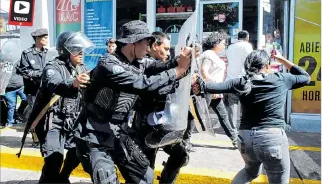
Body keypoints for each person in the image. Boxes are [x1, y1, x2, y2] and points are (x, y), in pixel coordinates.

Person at [74, 20, 191, 184]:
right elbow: (141, 84)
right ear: (132, 43)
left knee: (144, 177)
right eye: (146, 43)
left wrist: (182, 60)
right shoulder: (109, 63)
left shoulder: (140, 62)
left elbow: (159, 66)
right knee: (106, 179)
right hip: (94, 133)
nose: (149, 48)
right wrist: (177, 71)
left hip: (118, 132)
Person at [193, 50, 310, 184]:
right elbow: (305, 76)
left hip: (245, 139)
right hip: (272, 139)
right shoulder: (281, 79)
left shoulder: (241, 82)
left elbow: (209, 87)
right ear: (267, 65)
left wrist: (196, 81)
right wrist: (281, 59)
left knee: (250, 171)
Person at [29, 31, 92, 183]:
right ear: (66, 51)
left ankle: (63, 177)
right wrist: (73, 83)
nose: (81, 53)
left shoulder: (82, 68)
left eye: (82, 50)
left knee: (77, 154)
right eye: (77, 50)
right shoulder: (52, 67)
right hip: (53, 121)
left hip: (74, 120)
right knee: (53, 160)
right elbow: (54, 83)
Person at [132, 31, 191, 184]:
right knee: (146, 168)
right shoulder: (143, 64)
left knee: (181, 155)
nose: (167, 52)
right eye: (164, 49)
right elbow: (155, 81)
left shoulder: (164, 63)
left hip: (164, 124)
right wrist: (177, 67)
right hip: (146, 125)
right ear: (153, 46)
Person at [200, 31, 238, 147]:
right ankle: (184, 141)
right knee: (198, 116)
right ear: (215, 43)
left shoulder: (213, 55)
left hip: (213, 91)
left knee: (223, 115)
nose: (224, 46)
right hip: (207, 91)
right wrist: (214, 87)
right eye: (222, 43)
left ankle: (235, 139)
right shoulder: (208, 54)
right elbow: (204, 71)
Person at [17, 28, 49, 146]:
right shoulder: (27, 54)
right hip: (33, 90)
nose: (46, 40)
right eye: (44, 38)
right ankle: (36, 138)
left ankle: (45, 136)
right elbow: (24, 71)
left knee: (46, 114)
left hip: (46, 89)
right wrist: (41, 73)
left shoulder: (48, 53)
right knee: (36, 114)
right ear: (37, 39)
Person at [224, 30, 253, 134]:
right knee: (246, 105)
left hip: (231, 79)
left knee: (232, 105)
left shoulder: (230, 47)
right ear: (247, 37)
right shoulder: (247, 46)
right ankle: (244, 128)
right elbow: (250, 60)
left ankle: (233, 130)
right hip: (243, 79)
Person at [3, 61, 28, 127]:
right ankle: (10, 123)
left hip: (20, 87)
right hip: (9, 89)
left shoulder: (20, 61)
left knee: (26, 99)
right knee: (11, 106)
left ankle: (19, 112)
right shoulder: (4, 63)